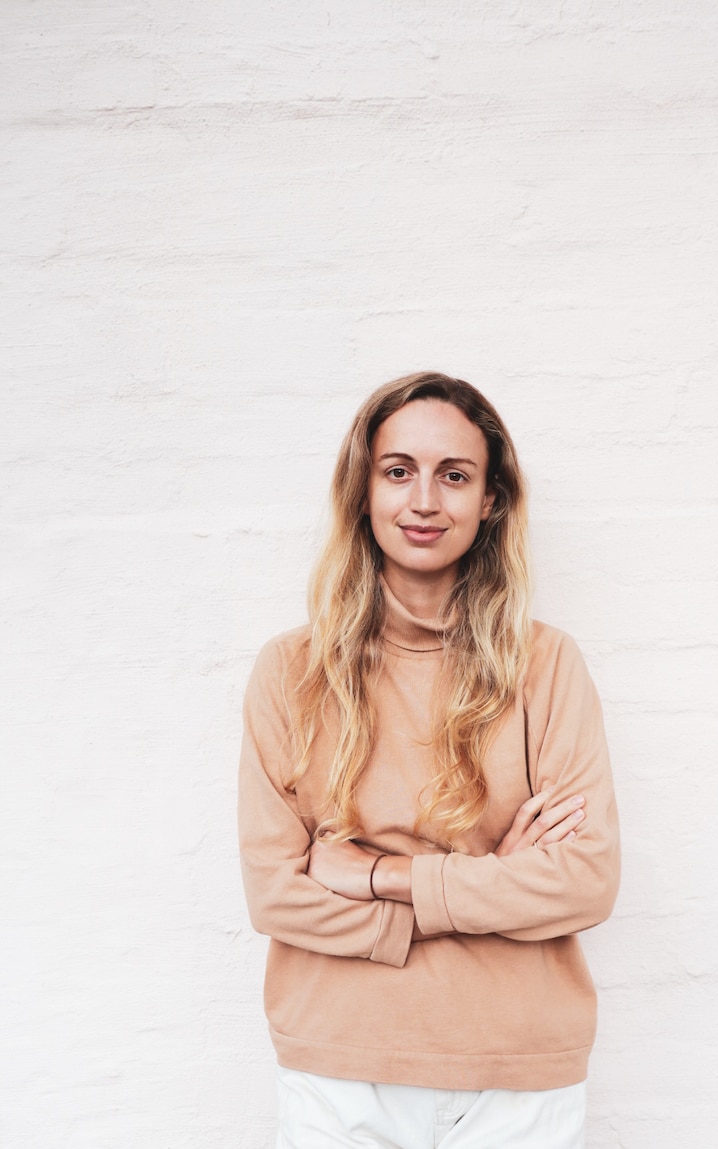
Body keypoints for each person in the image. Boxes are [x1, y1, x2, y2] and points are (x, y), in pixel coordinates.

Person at [238, 372, 620, 1148]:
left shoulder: (545, 666)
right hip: (340, 1070)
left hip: (519, 1075)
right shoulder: (290, 672)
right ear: (364, 490)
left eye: (454, 475)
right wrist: (489, 879)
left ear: (490, 501)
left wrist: (383, 874)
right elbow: (276, 895)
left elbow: (584, 879)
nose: (423, 501)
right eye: (398, 470)